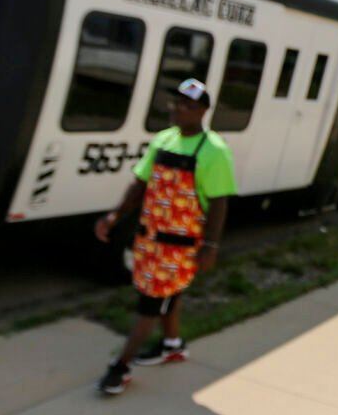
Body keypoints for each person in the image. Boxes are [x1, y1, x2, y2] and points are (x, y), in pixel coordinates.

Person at [94, 78, 236, 395]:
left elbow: (218, 202)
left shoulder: (214, 151)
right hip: (150, 239)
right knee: (165, 295)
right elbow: (140, 184)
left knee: (151, 302)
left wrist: (211, 246)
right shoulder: (163, 140)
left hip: (179, 247)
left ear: (202, 111)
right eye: (176, 103)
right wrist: (115, 216)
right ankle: (172, 345)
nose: (177, 109)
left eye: (186, 105)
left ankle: (120, 367)